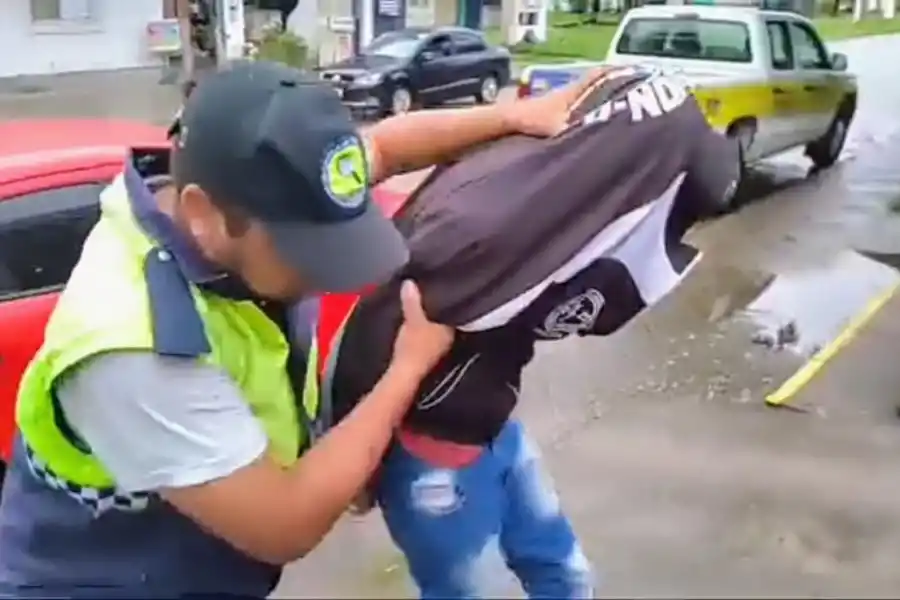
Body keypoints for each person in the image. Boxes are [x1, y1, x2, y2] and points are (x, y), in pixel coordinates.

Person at [0, 60, 604, 598]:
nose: (328, 273)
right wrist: (408, 367)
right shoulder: (137, 350)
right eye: (306, 251)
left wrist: (520, 115)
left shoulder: (270, 192)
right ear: (203, 216)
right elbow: (285, 525)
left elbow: (386, 148)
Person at [321, 65, 743, 598]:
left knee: (567, 577)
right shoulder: (477, 235)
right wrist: (353, 463)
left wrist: (512, 115)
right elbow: (372, 336)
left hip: (495, 426)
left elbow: (379, 148)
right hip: (433, 462)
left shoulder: (553, 201)